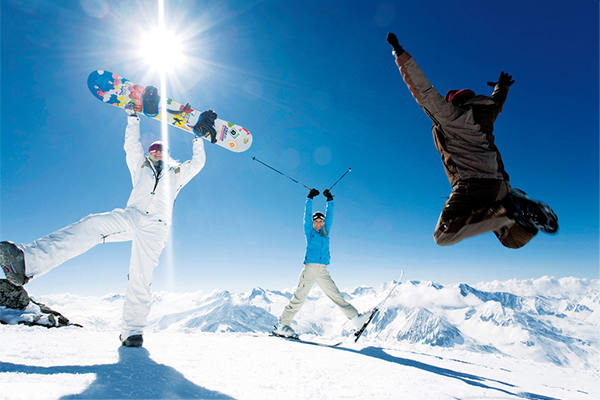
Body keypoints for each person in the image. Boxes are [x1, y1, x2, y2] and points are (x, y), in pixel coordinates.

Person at [0, 104, 217, 347]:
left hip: (156, 227)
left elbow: (197, 164)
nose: (156, 152)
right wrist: (132, 117)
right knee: (92, 224)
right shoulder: (140, 166)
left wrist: (198, 139)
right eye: (153, 149)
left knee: (141, 275)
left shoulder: (177, 174)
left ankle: (132, 332)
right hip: (132, 216)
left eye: (160, 150)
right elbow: (131, 147)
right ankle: (27, 262)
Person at [385, 32, 558, 248]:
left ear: (453, 102)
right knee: (512, 239)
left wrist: (399, 54)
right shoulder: (487, 113)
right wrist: (502, 87)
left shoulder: (451, 116)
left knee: (444, 235)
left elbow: (424, 91)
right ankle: (516, 207)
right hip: (500, 184)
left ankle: (510, 209)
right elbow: (497, 101)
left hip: (472, 184)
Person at [273, 188, 370, 338]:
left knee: (336, 295)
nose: (319, 224)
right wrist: (310, 198)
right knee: (299, 297)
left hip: (323, 271)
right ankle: (282, 325)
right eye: (316, 221)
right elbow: (306, 217)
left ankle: (356, 319)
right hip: (310, 269)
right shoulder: (309, 232)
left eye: (321, 221)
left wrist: (330, 200)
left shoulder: (326, 232)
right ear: (313, 223)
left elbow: (330, 216)